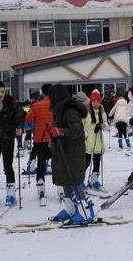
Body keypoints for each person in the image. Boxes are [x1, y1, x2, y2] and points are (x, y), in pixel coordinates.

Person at [48, 84, 95, 225]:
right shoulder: (60, 111)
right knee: (66, 181)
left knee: (75, 181)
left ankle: (85, 212)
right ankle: (70, 209)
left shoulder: (70, 111)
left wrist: (61, 132)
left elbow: (78, 131)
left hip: (73, 152)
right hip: (64, 151)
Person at [24, 83, 54, 204]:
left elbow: (27, 119)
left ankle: (40, 184)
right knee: (56, 161)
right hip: (54, 138)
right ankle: (60, 187)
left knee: (41, 162)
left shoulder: (36, 105)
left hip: (40, 139)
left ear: (43, 92)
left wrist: (27, 109)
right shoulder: (57, 104)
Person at [84, 89, 107, 190]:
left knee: (97, 162)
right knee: (86, 163)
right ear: (91, 101)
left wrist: (102, 126)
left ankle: (94, 180)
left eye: (97, 101)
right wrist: (85, 136)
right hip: (88, 142)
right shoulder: (86, 112)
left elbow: (106, 127)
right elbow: (82, 125)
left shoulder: (102, 112)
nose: (95, 103)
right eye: (93, 101)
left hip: (98, 141)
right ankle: (80, 181)